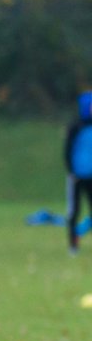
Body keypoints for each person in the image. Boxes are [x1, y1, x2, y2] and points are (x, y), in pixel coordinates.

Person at [65, 91, 92, 255]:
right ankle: (73, 245)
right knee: (74, 211)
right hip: (76, 176)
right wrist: (71, 171)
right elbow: (67, 151)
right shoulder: (75, 128)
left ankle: (80, 233)